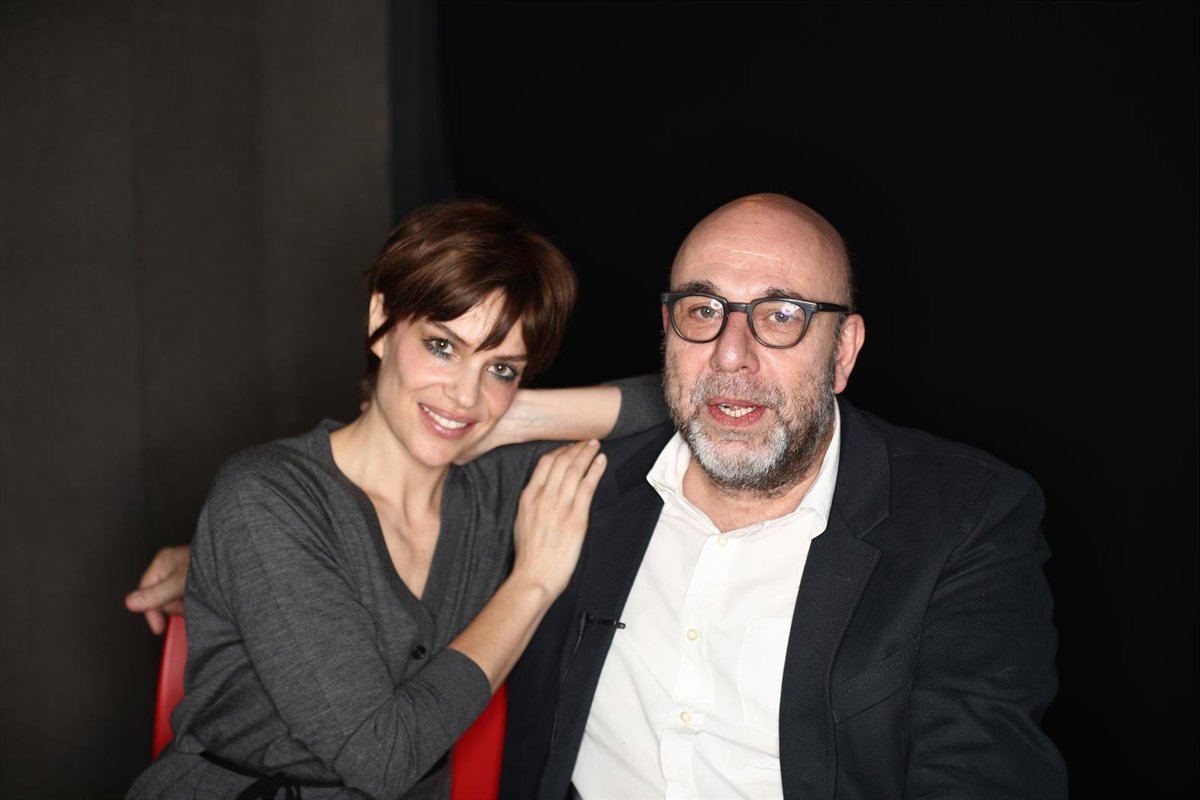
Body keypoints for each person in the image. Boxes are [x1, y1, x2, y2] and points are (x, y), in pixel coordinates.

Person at [499, 194, 1068, 798]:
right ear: (667, 331)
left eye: (780, 316)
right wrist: (503, 413)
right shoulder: (578, 485)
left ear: (842, 350)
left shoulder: (966, 516)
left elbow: (979, 774)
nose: (731, 356)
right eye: (703, 310)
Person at [126, 198, 667, 799]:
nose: (465, 394)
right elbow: (382, 758)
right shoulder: (266, 496)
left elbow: (689, 403)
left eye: (501, 368)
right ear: (381, 320)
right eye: (443, 346)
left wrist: (519, 415)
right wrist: (533, 583)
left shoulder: (498, 480)